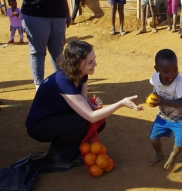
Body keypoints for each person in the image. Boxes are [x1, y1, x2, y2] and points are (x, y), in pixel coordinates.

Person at [25, 40, 143, 169]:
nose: (95, 64)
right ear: (76, 63)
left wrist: (90, 104)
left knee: (98, 122)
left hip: (58, 116)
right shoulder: (63, 81)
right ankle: (58, 154)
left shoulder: (81, 74)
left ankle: (72, 149)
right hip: (39, 126)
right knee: (82, 123)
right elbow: (91, 116)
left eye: (94, 60)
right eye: (90, 62)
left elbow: (82, 100)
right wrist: (121, 103)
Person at [147, 49, 182, 169]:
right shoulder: (155, 77)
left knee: (180, 145)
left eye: (175, 69)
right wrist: (153, 97)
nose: (172, 74)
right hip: (163, 117)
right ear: (157, 70)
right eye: (166, 71)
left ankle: (173, 156)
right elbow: (155, 88)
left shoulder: (180, 83)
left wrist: (163, 101)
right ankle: (159, 154)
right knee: (153, 138)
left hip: (179, 120)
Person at [21, 0, 71, 91]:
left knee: (58, 52)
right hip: (35, 13)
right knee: (38, 52)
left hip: (58, 14)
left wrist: (67, 13)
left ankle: (62, 82)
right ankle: (39, 86)